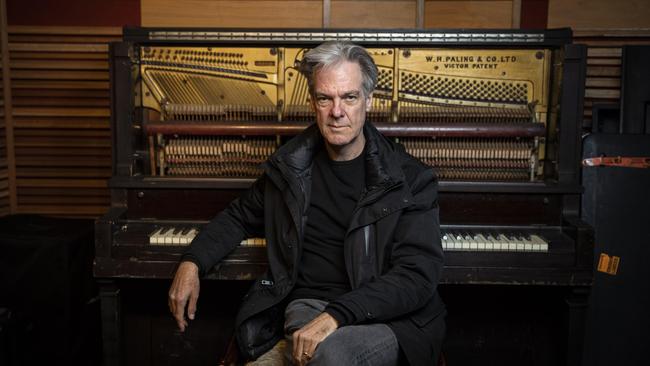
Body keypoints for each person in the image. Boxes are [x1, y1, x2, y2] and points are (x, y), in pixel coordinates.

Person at [168, 41, 446, 366]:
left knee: (332, 354)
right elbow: (238, 216)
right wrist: (191, 263)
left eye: (349, 97)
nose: (337, 111)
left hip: (388, 318)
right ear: (313, 102)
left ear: (369, 100)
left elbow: (416, 275)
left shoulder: (410, 178)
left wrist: (338, 315)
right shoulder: (291, 168)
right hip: (308, 308)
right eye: (325, 98)